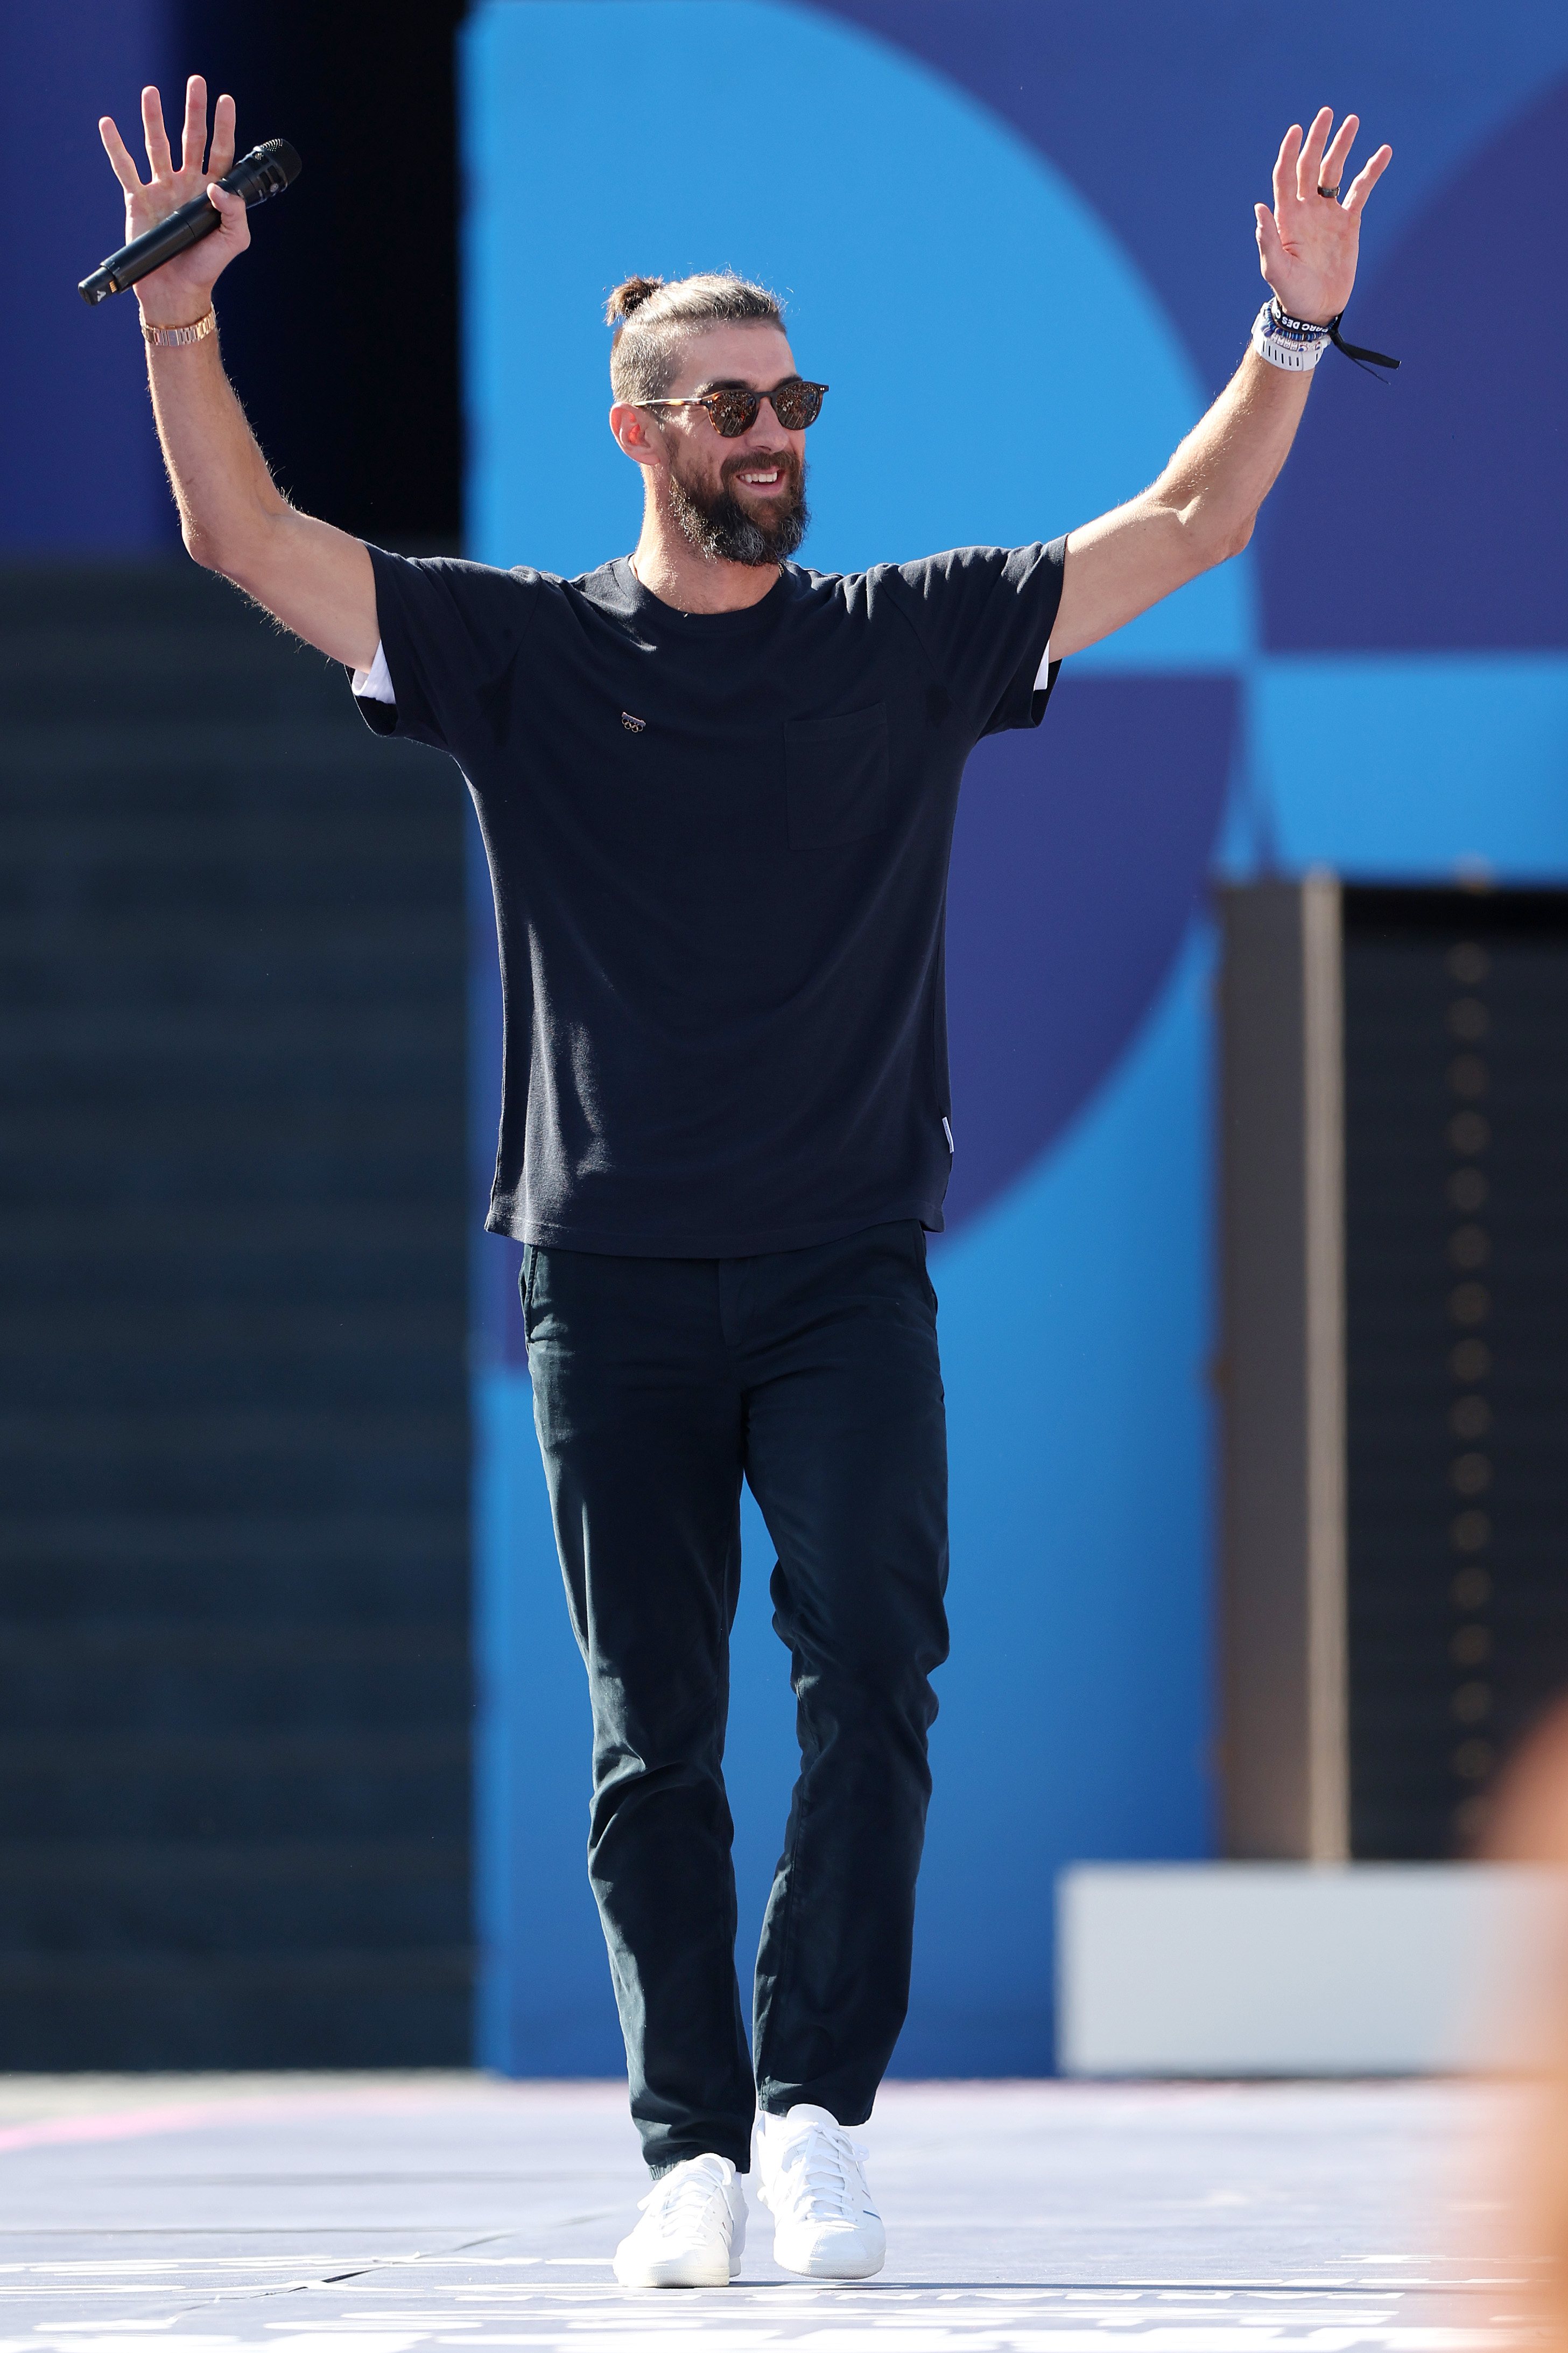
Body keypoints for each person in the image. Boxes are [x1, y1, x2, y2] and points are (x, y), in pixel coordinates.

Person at [100, 74, 1390, 2289]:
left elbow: (1185, 527)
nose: (771, 431)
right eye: (727, 405)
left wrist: (1284, 335)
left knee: (876, 1666)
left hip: (842, 1271)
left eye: (790, 398)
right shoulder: (513, 651)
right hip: (602, 1272)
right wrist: (181, 323)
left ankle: (811, 2114)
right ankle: (685, 2147)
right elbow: (250, 542)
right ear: (640, 432)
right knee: (650, 1738)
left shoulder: (905, 640)